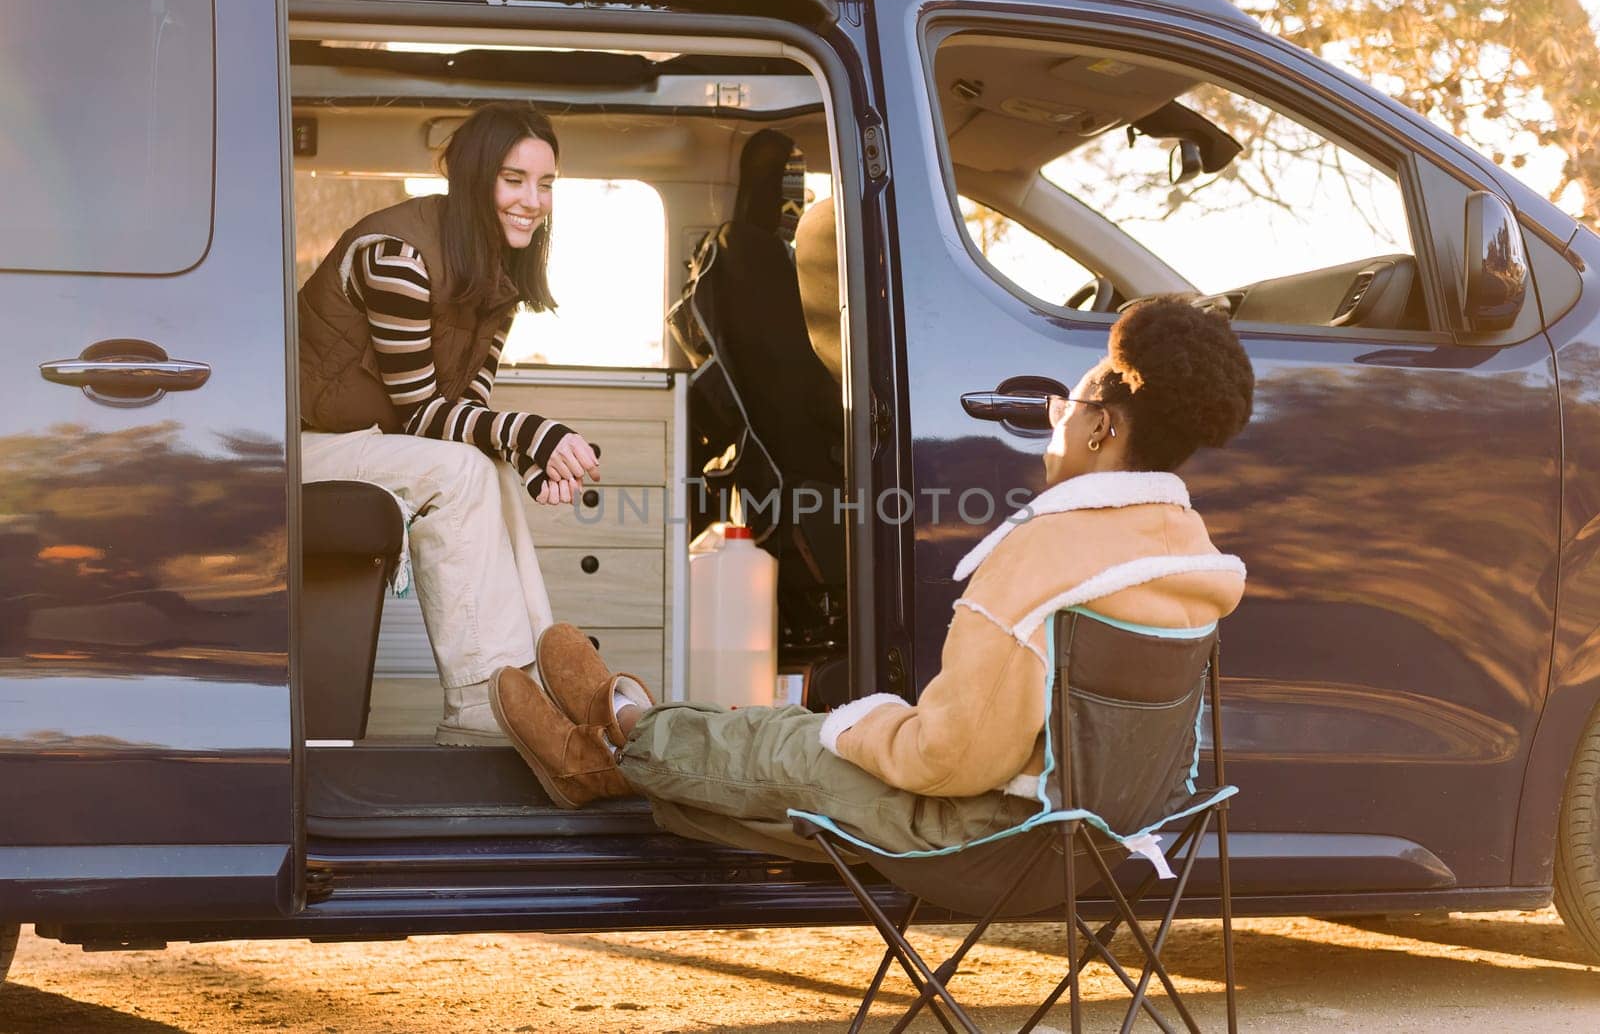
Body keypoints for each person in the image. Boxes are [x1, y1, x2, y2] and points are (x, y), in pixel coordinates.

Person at [489, 296, 1254, 864]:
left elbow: (949, 761)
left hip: (988, 839)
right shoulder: (1186, 557)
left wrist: (864, 727)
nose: (1053, 423)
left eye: (1064, 406)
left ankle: (614, 747)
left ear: (1099, 428)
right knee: (791, 738)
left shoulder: (1044, 555)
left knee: (793, 746)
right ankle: (631, 748)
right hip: (1103, 838)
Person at [298, 102, 600, 746]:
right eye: (513, 179)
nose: (533, 200)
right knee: (463, 468)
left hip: (364, 441)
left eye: (545, 183)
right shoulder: (397, 258)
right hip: (293, 445)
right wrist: (536, 435)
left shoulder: (499, 272)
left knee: (483, 462)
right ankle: (480, 709)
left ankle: (535, 685)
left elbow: (469, 412)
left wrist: (525, 456)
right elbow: (420, 414)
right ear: (473, 178)